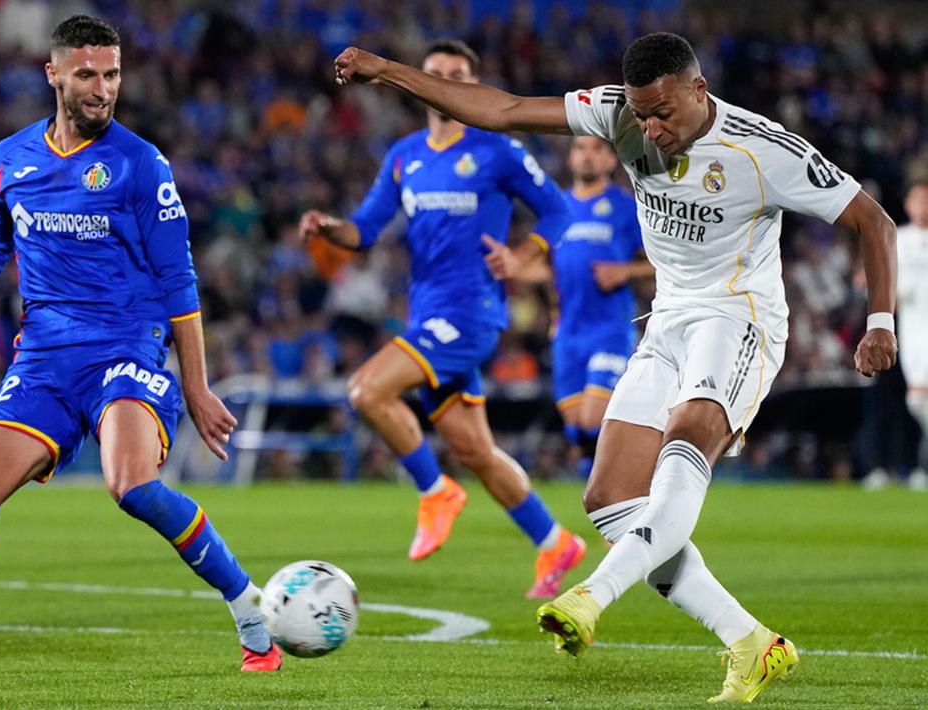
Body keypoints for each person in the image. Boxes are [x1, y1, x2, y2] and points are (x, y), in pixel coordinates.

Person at [333, 31, 899, 703]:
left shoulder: (762, 148)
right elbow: (502, 109)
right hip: (665, 320)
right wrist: (386, 71)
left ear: (697, 89)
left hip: (738, 317)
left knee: (686, 437)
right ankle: (751, 643)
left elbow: (873, 221)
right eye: (640, 114)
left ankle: (592, 594)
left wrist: (878, 323)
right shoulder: (616, 111)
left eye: (663, 112)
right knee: (609, 499)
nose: (650, 128)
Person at [0, 16, 282, 673]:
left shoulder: (139, 164)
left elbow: (180, 282)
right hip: (45, 356)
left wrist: (195, 384)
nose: (102, 88)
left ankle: (248, 607)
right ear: (52, 74)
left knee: (131, 485)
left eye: (111, 74)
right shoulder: (11, 159)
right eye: (87, 74)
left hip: (126, 348)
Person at [299, 39, 586, 599]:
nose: (446, 82)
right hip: (428, 315)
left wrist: (524, 257)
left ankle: (435, 491)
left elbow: (559, 209)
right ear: (419, 83)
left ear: (474, 86)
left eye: (458, 75)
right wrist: (330, 227)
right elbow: (364, 229)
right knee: (477, 451)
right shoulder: (406, 155)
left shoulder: (498, 149)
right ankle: (554, 542)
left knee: (365, 390)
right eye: (436, 74)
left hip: (471, 313)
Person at [485, 136, 651, 480]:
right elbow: (545, 267)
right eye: (580, 148)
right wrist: (512, 266)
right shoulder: (557, 209)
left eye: (597, 149)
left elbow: (662, 262)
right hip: (566, 334)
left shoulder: (624, 207)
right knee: (577, 429)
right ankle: (609, 508)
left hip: (610, 329)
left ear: (610, 160)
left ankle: (637, 482)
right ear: (571, 158)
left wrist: (626, 271)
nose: (587, 156)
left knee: (593, 419)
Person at [897, 183, 928, 485]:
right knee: (916, 402)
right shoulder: (899, 239)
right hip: (911, 333)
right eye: (918, 200)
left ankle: (923, 468)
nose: (923, 206)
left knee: (920, 398)